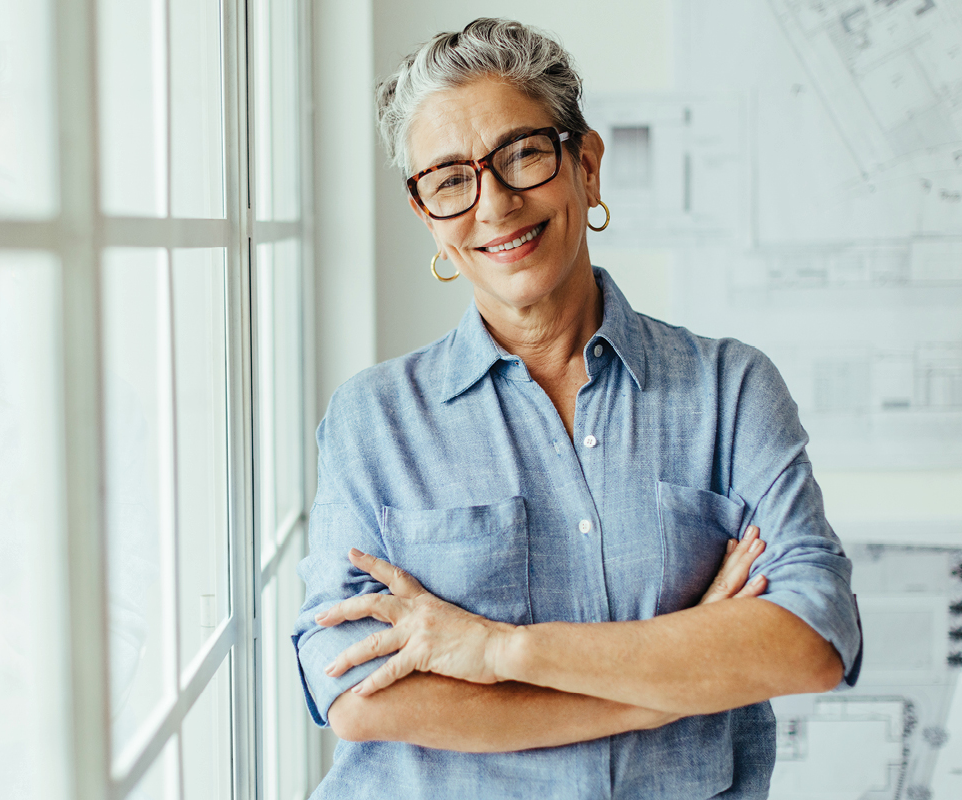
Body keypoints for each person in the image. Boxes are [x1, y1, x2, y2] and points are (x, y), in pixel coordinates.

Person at [292, 18, 862, 799]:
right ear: (427, 215)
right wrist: (667, 688)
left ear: (585, 167)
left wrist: (500, 654)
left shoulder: (730, 391)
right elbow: (357, 696)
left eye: (522, 154)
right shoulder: (373, 421)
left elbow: (810, 643)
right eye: (451, 179)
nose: (493, 203)